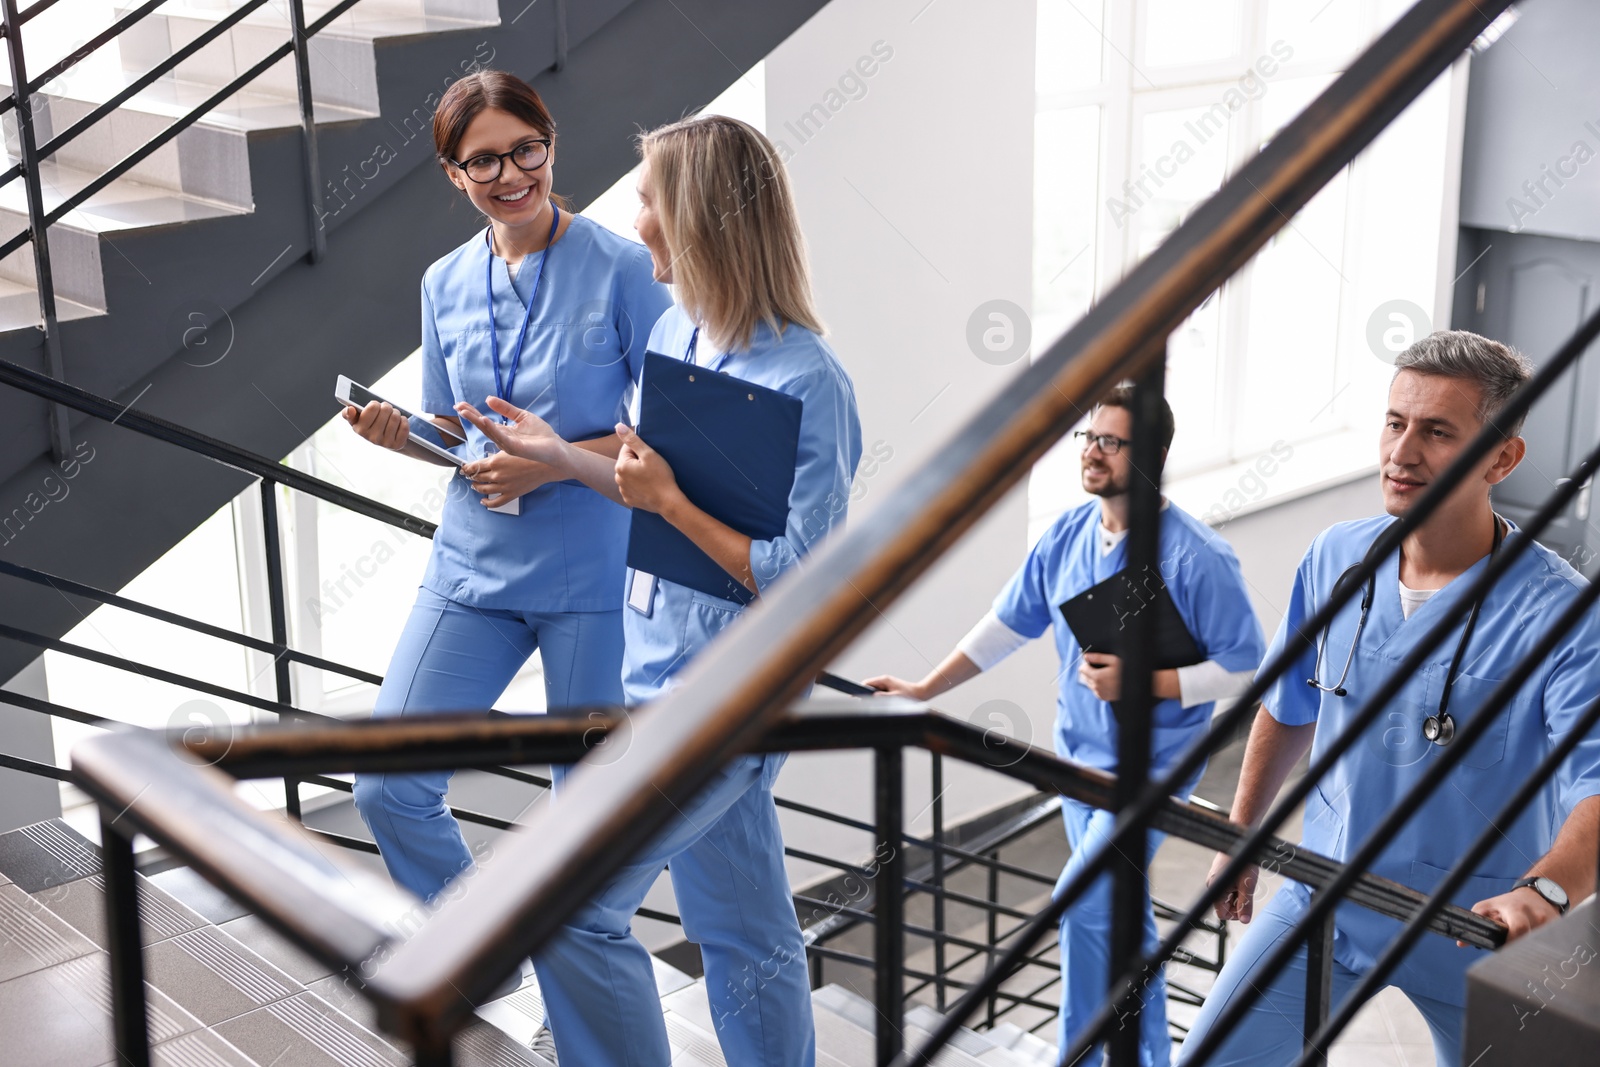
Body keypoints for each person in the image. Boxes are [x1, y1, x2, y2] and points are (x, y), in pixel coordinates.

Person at [457, 114, 861, 1066]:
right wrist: (562, 457)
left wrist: (671, 504)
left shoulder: (811, 381)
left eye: (649, 201)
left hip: (728, 703)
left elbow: (802, 583)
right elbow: (642, 481)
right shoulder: (679, 330)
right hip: (649, 669)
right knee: (750, 939)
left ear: (704, 221)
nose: (635, 222)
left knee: (571, 910)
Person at [1181, 331, 1600, 1067]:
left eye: (1438, 431)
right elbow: (1286, 705)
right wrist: (1243, 831)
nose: (1403, 452)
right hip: (1329, 893)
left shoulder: (1562, 613)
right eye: (1395, 421)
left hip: (1478, 925)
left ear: (1502, 457)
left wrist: (1548, 895)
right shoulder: (1337, 558)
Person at [346, 71, 670, 915]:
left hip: (594, 572)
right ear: (454, 174)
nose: (511, 174)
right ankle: (476, 949)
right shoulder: (442, 282)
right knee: (387, 784)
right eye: (482, 161)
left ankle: (579, 991)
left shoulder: (623, 268)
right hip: (473, 567)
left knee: (589, 813)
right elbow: (458, 436)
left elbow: (668, 439)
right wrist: (403, 434)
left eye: (527, 148)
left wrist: (556, 457)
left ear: (551, 141)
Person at [866, 387, 1266, 1067]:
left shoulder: (1199, 556)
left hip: (1150, 773)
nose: (1092, 453)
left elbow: (1245, 665)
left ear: (1155, 457)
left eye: (1111, 442)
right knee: (1123, 925)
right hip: (1076, 763)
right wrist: (925, 688)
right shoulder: (1068, 534)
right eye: (1088, 437)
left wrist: (1148, 682)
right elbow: (1009, 622)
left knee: (1082, 903)